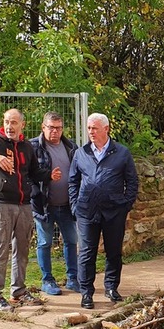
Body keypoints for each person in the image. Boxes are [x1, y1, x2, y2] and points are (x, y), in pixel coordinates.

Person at [0, 108, 59, 312]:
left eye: (14, 122)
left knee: (22, 249)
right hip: (1, 205)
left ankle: (18, 292)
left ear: (22, 125)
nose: (9, 126)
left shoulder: (27, 147)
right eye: (7, 121)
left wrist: (49, 175)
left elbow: (34, 173)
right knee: (0, 249)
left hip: (24, 205)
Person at [68, 113, 138, 309]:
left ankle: (111, 287)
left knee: (113, 252)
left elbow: (132, 181)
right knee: (86, 253)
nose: (91, 132)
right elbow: (73, 181)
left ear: (106, 129)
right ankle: (86, 293)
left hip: (114, 212)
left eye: (95, 128)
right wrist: (75, 205)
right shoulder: (81, 153)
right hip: (86, 211)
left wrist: (126, 205)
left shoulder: (121, 153)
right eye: (89, 128)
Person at [30, 112, 79, 296]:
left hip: (67, 205)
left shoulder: (71, 147)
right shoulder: (33, 147)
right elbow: (27, 175)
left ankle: (73, 279)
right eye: (51, 127)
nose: (55, 132)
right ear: (43, 127)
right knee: (44, 243)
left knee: (71, 241)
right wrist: (39, 187)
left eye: (58, 128)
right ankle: (47, 280)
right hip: (44, 205)